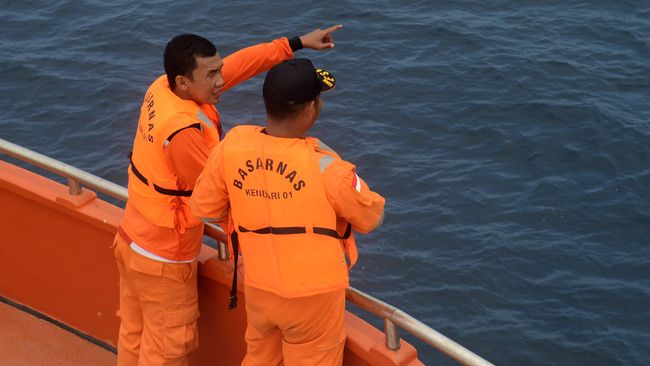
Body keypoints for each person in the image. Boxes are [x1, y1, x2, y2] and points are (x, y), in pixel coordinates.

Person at [113, 26, 342, 366]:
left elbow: (242, 65)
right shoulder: (184, 133)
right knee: (165, 350)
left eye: (218, 70)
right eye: (212, 74)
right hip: (164, 257)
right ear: (184, 82)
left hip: (132, 237)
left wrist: (293, 44)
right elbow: (216, 196)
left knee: (133, 334)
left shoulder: (164, 89)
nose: (221, 80)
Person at [190, 58, 386, 365]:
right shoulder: (327, 167)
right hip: (313, 299)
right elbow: (372, 216)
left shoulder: (232, 146)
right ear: (310, 109)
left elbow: (204, 208)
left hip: (259, 287)